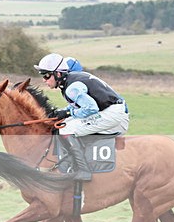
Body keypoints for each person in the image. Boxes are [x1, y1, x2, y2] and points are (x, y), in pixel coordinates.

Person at [34, 53, 129, 181]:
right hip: (110, 111)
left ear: (58, 74)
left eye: (46, 75)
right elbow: (79, 105)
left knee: (65, 129)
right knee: (64, 123)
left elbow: (91, 108)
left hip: (112, 114)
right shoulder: (70, 81)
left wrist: (68, 113)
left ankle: (83, 170)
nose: (44, 80)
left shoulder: (71, 88)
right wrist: (63, 112)